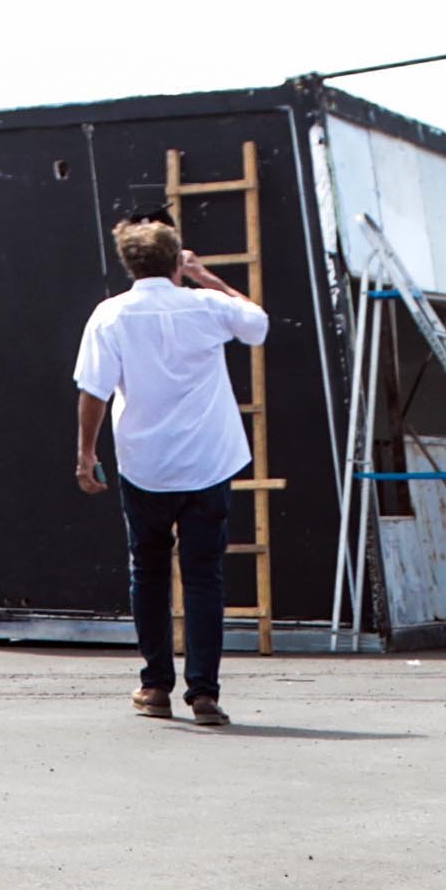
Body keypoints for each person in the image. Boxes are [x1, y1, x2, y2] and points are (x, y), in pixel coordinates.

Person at [70, 209, 267, 729]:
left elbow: (93, 391)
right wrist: (205, 276)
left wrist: (86, 455)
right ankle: (204, 694)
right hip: (209, 460)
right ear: (174, 258)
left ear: (129, 263)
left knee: (149, 572)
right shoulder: (204, 306)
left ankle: (155, 684)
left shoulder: (109, 316)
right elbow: (257, 324)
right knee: (205, 577)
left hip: (146, 465)